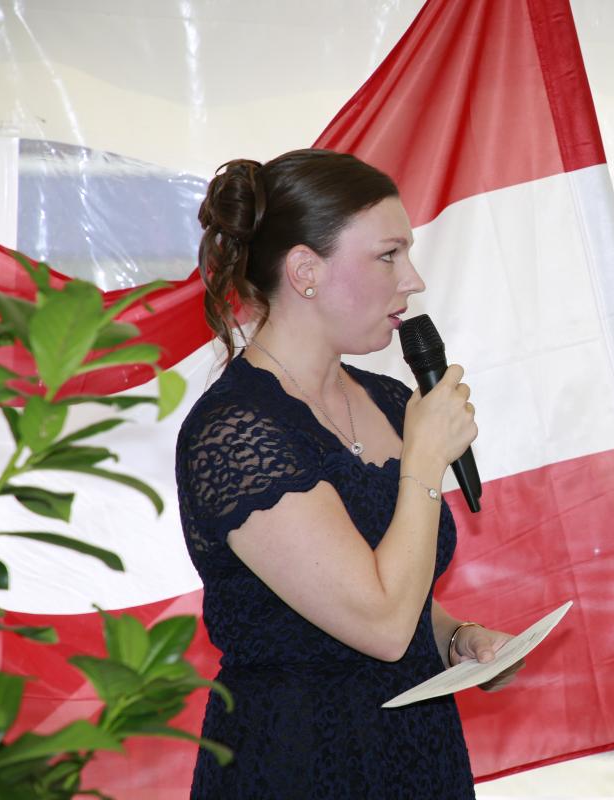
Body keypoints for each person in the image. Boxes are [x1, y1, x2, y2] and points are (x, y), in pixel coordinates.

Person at [176, 149, 523, 799]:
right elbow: (381, 625)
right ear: (305, 271)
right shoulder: (234, 431)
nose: (413, 279)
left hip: (419, 754)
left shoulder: (390, 400)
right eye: (389, 255)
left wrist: (456, 638)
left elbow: (392, 587)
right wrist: (424, 460)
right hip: (299, 763)